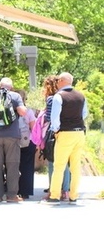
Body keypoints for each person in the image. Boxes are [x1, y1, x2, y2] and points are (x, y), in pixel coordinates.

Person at [44, 72, 88, 205]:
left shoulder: (59, 96)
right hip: (79, 133)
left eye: (58, 80)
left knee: (59, 166)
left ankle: (55, 195)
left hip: (65, 133)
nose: (56, 82)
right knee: (75, 167)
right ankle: (73, 196)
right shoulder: (81, 96)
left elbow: (55, 118)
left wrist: (55, 130)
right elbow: (84, 114)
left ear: (62, 81)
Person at [39, 75, 70, 199]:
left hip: (54, 132)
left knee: (52, 162)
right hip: (68, 131)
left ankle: (53, 191)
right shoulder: (66, 96)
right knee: (65, 163)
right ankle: (66, 191)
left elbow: (49, 118)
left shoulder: (52, 99)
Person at [15, 88, 36, 199]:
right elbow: (33, 127)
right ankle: (26, 191)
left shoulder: (11, 111)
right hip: (28, 141)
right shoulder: (28, 111)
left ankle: (14, 189)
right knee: (27, 167)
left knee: (13, 166)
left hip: (13, 141)